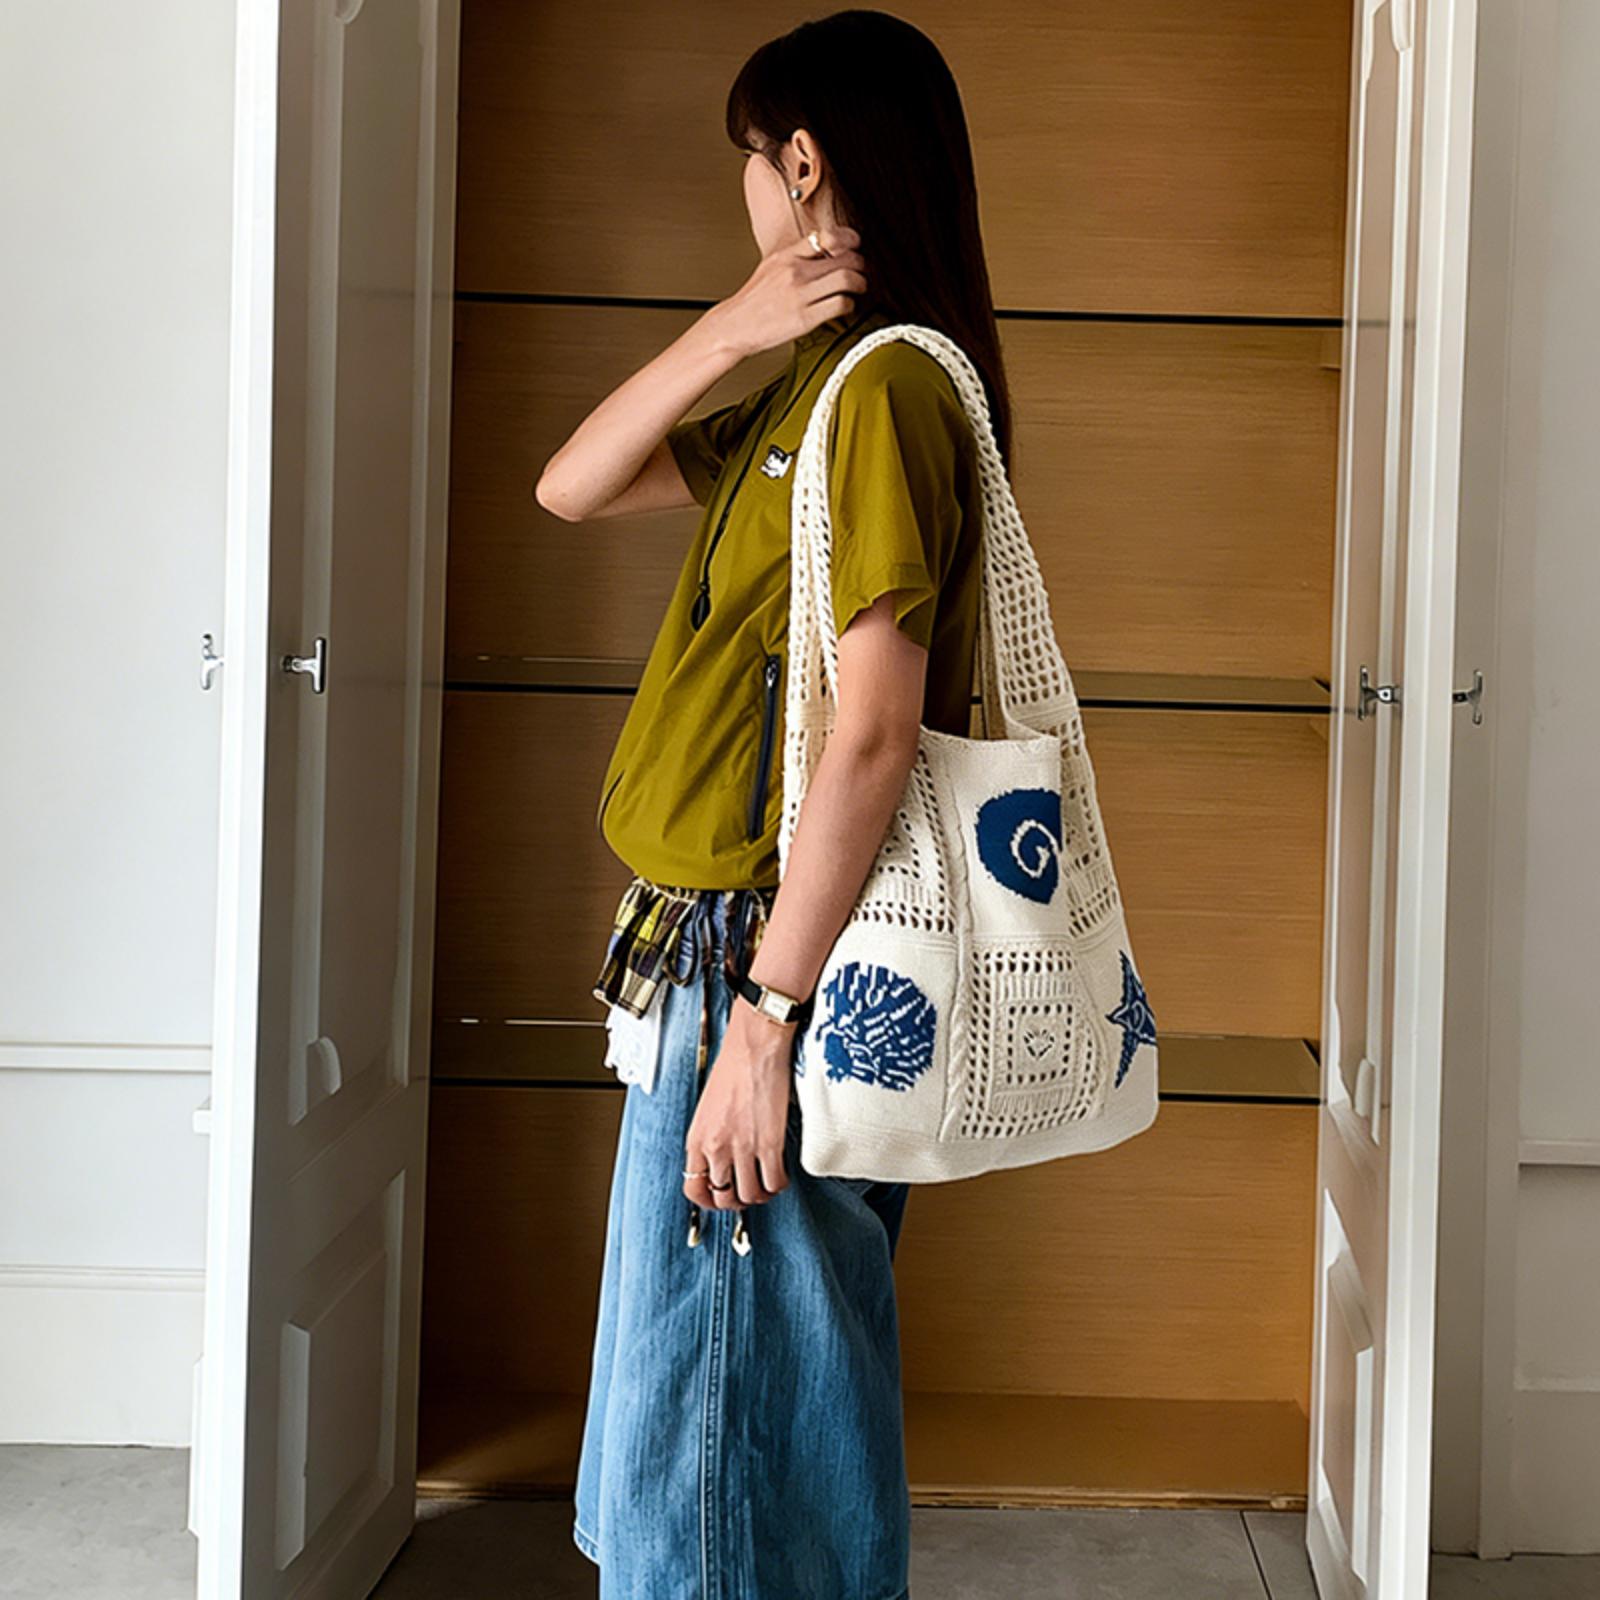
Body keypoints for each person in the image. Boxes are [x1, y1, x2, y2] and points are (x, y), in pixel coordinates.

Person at [534, 11, 1014, 1596]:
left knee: (721, 1458)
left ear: (799, 161)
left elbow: (874, 736)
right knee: (733, 1427)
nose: (745, 185)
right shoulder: (814, 382)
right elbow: (572, 484)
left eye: (753, 158)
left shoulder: (878, 396)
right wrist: (729, 328)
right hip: (727, 949)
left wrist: (763, 1025)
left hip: (764, 952)